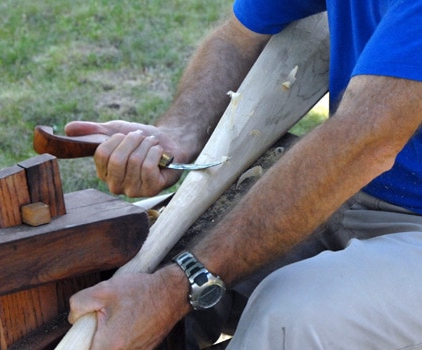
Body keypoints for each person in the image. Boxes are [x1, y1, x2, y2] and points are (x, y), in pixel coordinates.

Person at [64, 0, 422, 348]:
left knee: (287, 319)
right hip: (350, 181)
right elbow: (237, 38)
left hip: (391, 198)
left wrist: (178, 286)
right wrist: (181, 132)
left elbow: (364, 139)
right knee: (138, 270)